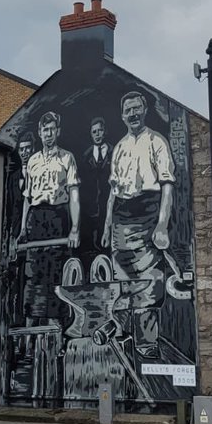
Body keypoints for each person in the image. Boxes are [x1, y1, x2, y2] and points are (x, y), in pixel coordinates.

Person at [102, 91, 176, 358]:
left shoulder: (157, 141)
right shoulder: (119, 147)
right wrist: (107, 223)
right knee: (122, 278)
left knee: (149, 280)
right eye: (127, 110)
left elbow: (167, 185)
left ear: (144, 110)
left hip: (148, 210)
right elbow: (113, 190)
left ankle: (146, 344)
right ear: (122, 115)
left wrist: (162, 225)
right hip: (122, 215)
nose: (132, 114)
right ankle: (123, 337)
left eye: (136, 108)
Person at [19, 112, 80, 325]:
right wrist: (22, 230)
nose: (48, 133)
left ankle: (56, 331)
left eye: (52, 129)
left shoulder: (67, 158)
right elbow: (27, 197)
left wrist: (74, 228)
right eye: (45, 130)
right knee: (33, 274)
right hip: (36, 218)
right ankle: (30, 335)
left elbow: (74, 195)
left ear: (58, 131)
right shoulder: (33, 161)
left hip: (57, 217)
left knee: (56, 273)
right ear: (40, 132)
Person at [80, 117, 111, 256]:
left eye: (100, 130)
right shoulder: (85, 156)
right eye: (94, 132)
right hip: (91, 207)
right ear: (91, 134)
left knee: (107, 243)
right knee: (91, 244)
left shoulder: (114, 151)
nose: (97, 134)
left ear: (105, 132)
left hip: (108, 205)